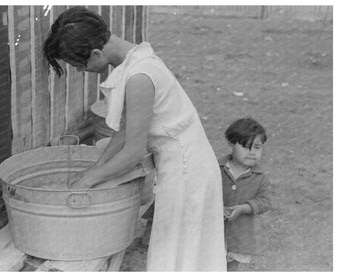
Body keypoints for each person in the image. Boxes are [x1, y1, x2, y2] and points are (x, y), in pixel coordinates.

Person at [43, 6, 226, 271]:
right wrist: (94, 170)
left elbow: (132, 151)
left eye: (78, 66)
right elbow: (125, 129)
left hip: (187, 170)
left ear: (96, 53)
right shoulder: (137, 58)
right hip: (184, 163)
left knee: (179, 255)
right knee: (181, 252)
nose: (81, 72)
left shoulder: (139, 77)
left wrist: (87, 181)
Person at [220, 118, 272, 271]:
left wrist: (244, 208)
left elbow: (265, 201)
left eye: (257, 147)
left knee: (230, 269)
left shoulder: (260, 176)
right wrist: (217, 207)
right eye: (245, 146)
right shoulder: (216, 168)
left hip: (239, 235)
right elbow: (204, 192)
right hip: (212, 232)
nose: (252, 152)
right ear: (231, 144)